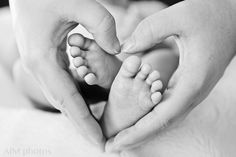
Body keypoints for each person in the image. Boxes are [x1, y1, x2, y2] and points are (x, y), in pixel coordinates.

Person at [106, 0, 236, 153]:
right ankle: (110, 77)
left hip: (175, 36)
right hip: (129, 43)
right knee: (127, 56)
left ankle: (121, 106)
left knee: (157, 64)